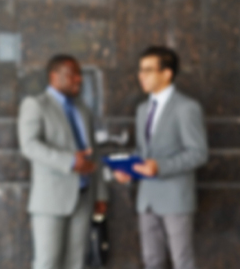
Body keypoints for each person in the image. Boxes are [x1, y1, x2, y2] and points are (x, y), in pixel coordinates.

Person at [113, 46, 207, 269]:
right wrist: (129, 169)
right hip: (147, 199)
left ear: (167, 73)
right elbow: (143, 152)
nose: (141, 76)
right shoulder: (142, 109)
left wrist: (161, 167)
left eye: (148, 70)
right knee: (151, 261)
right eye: (140, 70)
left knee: (182, 262)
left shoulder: (187, 108)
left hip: (175, 199)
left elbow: (199, 153)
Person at [18, 54, 108, 269]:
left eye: (79, 74)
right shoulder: (36, 105)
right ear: (54, 76)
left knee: (76, 263)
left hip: (84, 198)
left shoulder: (83, 109)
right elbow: (29, 145)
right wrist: (69, 162)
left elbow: (94, 153)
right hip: (51, 199)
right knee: (48, 263)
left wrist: (101, 194)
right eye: (72, 74)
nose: (79, 79)